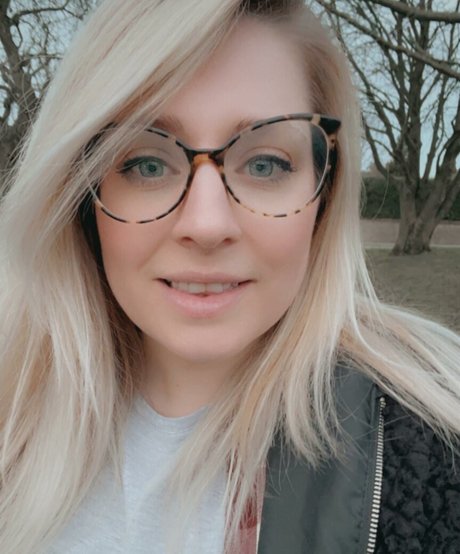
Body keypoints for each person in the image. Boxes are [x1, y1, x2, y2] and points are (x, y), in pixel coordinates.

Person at [0, 0, 459, 553]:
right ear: (81, 198)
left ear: (325, 194)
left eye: (265, 164)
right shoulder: (12, 415)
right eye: (147, 164)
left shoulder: (433, 456)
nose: (207, 225)